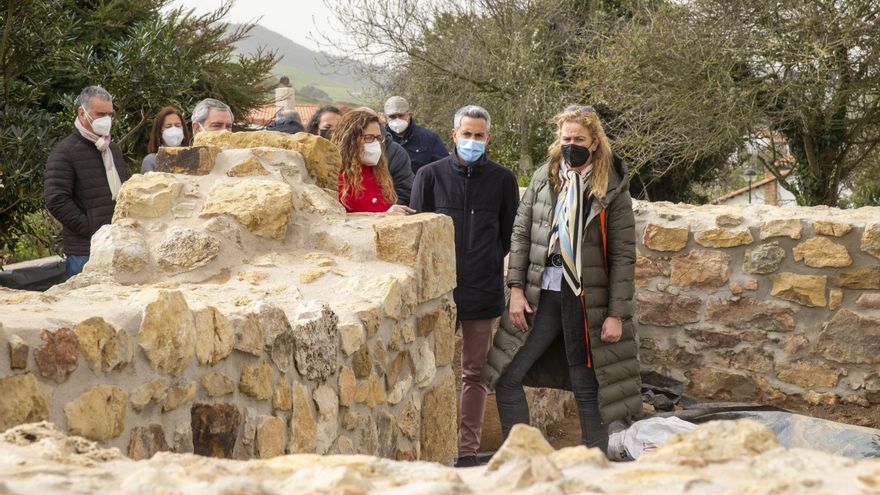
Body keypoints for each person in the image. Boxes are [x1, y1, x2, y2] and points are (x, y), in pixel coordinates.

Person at [484, 105, 641, 456]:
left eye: (579, 139)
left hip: (586, 300)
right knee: (507, 376)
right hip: (542, 292)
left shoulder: (612, 187)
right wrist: (515, 289)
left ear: (595, 142)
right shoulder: (546, 176)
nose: (572, 145)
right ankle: (522, 459)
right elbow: (521, 233)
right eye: (566, 138)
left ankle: (593, 464)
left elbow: (622, 256)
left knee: (588, 387)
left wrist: (616, 314)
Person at [409, 105, 519, 467]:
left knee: (475, 373)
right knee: (427, 371)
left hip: (483, 291)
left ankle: (467, 451)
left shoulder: (503, 181)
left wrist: (485, 260)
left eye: (479, 135)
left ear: (488, 138)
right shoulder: (428, 176)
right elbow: (418, 235)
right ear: (454, 135)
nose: (472, 141)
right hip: (437, 296)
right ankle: (429, 452)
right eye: (467, 134)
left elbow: (509, 236)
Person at [44, 86, 131, 278]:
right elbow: (56, 199)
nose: (107, 120)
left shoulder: (112, 149)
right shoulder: (65, 152)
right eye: (101, 114)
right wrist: (91, 228)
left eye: (109, 114)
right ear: (82, 113)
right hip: (84, 251)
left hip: (117, 245)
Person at [332, 109, 414, 214]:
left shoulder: (378, 173)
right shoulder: (336, 177)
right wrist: (386, 215)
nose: (375, 143)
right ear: (350, 140)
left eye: (378, 138)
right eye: (369, 138)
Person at [384, 96, 448, 174]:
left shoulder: (429, 138)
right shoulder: (381, 140)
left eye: (401, 115)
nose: (397, 120)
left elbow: (445, 167)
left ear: (409, 115)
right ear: (386, 118)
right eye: (392, 117)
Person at [141, 106, 191, 173]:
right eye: (168, 126)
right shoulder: (151, 160)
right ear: (159, 131)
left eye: (178, 125)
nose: (174, 130)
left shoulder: (193, 157)